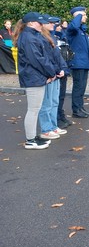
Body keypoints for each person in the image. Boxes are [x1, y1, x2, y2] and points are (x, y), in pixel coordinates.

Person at [13, 12, 58, 149]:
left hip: (35, 76)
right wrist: (51, 72)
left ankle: (32, 137)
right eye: (40, 22)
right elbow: (37, 59)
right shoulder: (29, 37)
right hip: (33, 77)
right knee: (33, 110)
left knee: (35, 109)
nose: (42, 25)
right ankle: (30, 140)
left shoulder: (29, 35)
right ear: (31, 23)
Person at [38, 15, 68, 140]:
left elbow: (57, 56)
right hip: (49, 74)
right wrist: (54, 71)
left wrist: (62, 69)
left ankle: (53, 126)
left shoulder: (52, 37)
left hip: (55, 73)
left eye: (54, 23)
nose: (53, 25)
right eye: (50, 23)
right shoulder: (41, 37)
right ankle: (46, 129)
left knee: (54, 102)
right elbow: (45, 58)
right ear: (43, 24)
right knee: (46, 104)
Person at [67, 6, 89, 118]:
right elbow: (74, 25)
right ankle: (76, 110)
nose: (86, 17)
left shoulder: (81, 30)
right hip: (77, 63)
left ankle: (80, 107)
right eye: (84, 15)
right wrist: (78, 16)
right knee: (78, 87)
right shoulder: (73, 29)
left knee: (82, 87)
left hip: (84, 62)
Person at [54, 21, 73, 128]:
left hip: (64, 70)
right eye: (57, 25)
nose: (59, 27)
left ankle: (60, 115)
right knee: (55, 97)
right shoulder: (52, 38)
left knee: (61, 96)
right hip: (57, 72)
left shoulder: (62, 38)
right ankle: (56, 118)